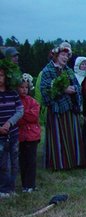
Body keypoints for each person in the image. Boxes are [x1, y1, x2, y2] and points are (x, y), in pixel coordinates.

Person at [40, 43, 85, 170]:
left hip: (70, 108)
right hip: (56, 109)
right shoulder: (48, 70)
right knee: (58, 137)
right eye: (63, 55)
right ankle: (58, 164)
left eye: (67, 55)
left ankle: (72, 162)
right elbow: (45, 90)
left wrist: (74, 89)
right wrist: (63, 90)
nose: (65, 58)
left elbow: (78, 87)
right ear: (56, 56)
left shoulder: (68, 70)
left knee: (72, 135)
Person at [0, 60, 23, 198]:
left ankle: (12, 188)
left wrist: (9, 123)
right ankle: (3, 189)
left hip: (12, 134)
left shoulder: (13, 93)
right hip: (0, 137)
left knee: (14, 162)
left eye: (1, 75)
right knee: (3, 164)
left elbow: (20, 110)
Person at [17, 74, 41, 193]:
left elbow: (34, 115)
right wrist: (24, 115)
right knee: (23, 161)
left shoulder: (33, 101)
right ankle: (24, 185)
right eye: (21, 87)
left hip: (32, 136)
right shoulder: (15, 101)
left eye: (26, 88)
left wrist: (22, 114)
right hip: (20, 136)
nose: (24, 90)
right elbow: (16, 118)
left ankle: (31, 184)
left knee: (31, 161)